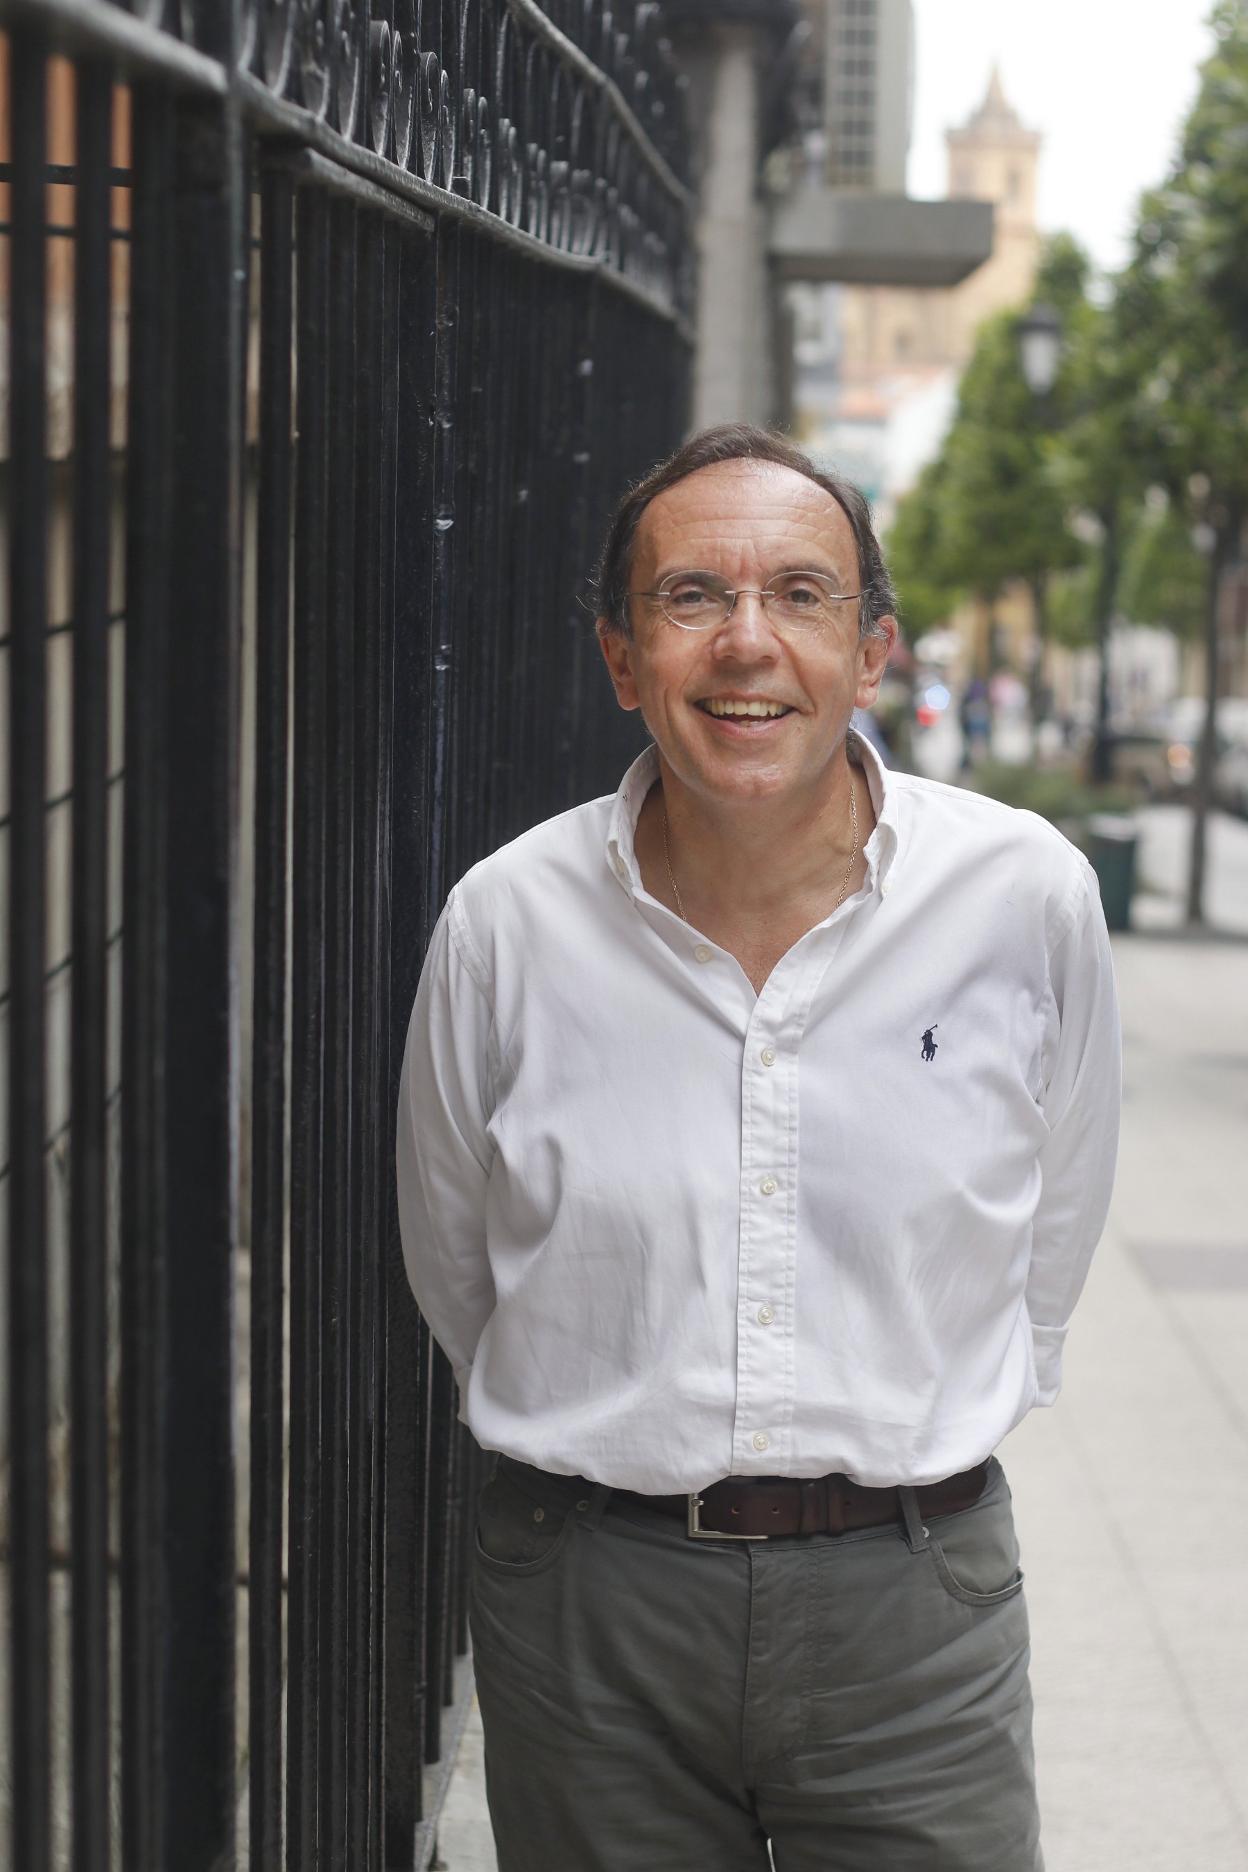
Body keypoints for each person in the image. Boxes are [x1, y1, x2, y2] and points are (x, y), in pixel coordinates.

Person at [396, 423, 1121, 1871]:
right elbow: (454, 1254)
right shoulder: (507, 922)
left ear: (874, 652)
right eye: (690, 599)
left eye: (800, 595)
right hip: (591, 1611)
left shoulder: (1023, 897)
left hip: (917, 1610)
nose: (747, 644)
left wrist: (935, 1414)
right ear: (622, 661)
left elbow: (1059, 1216)